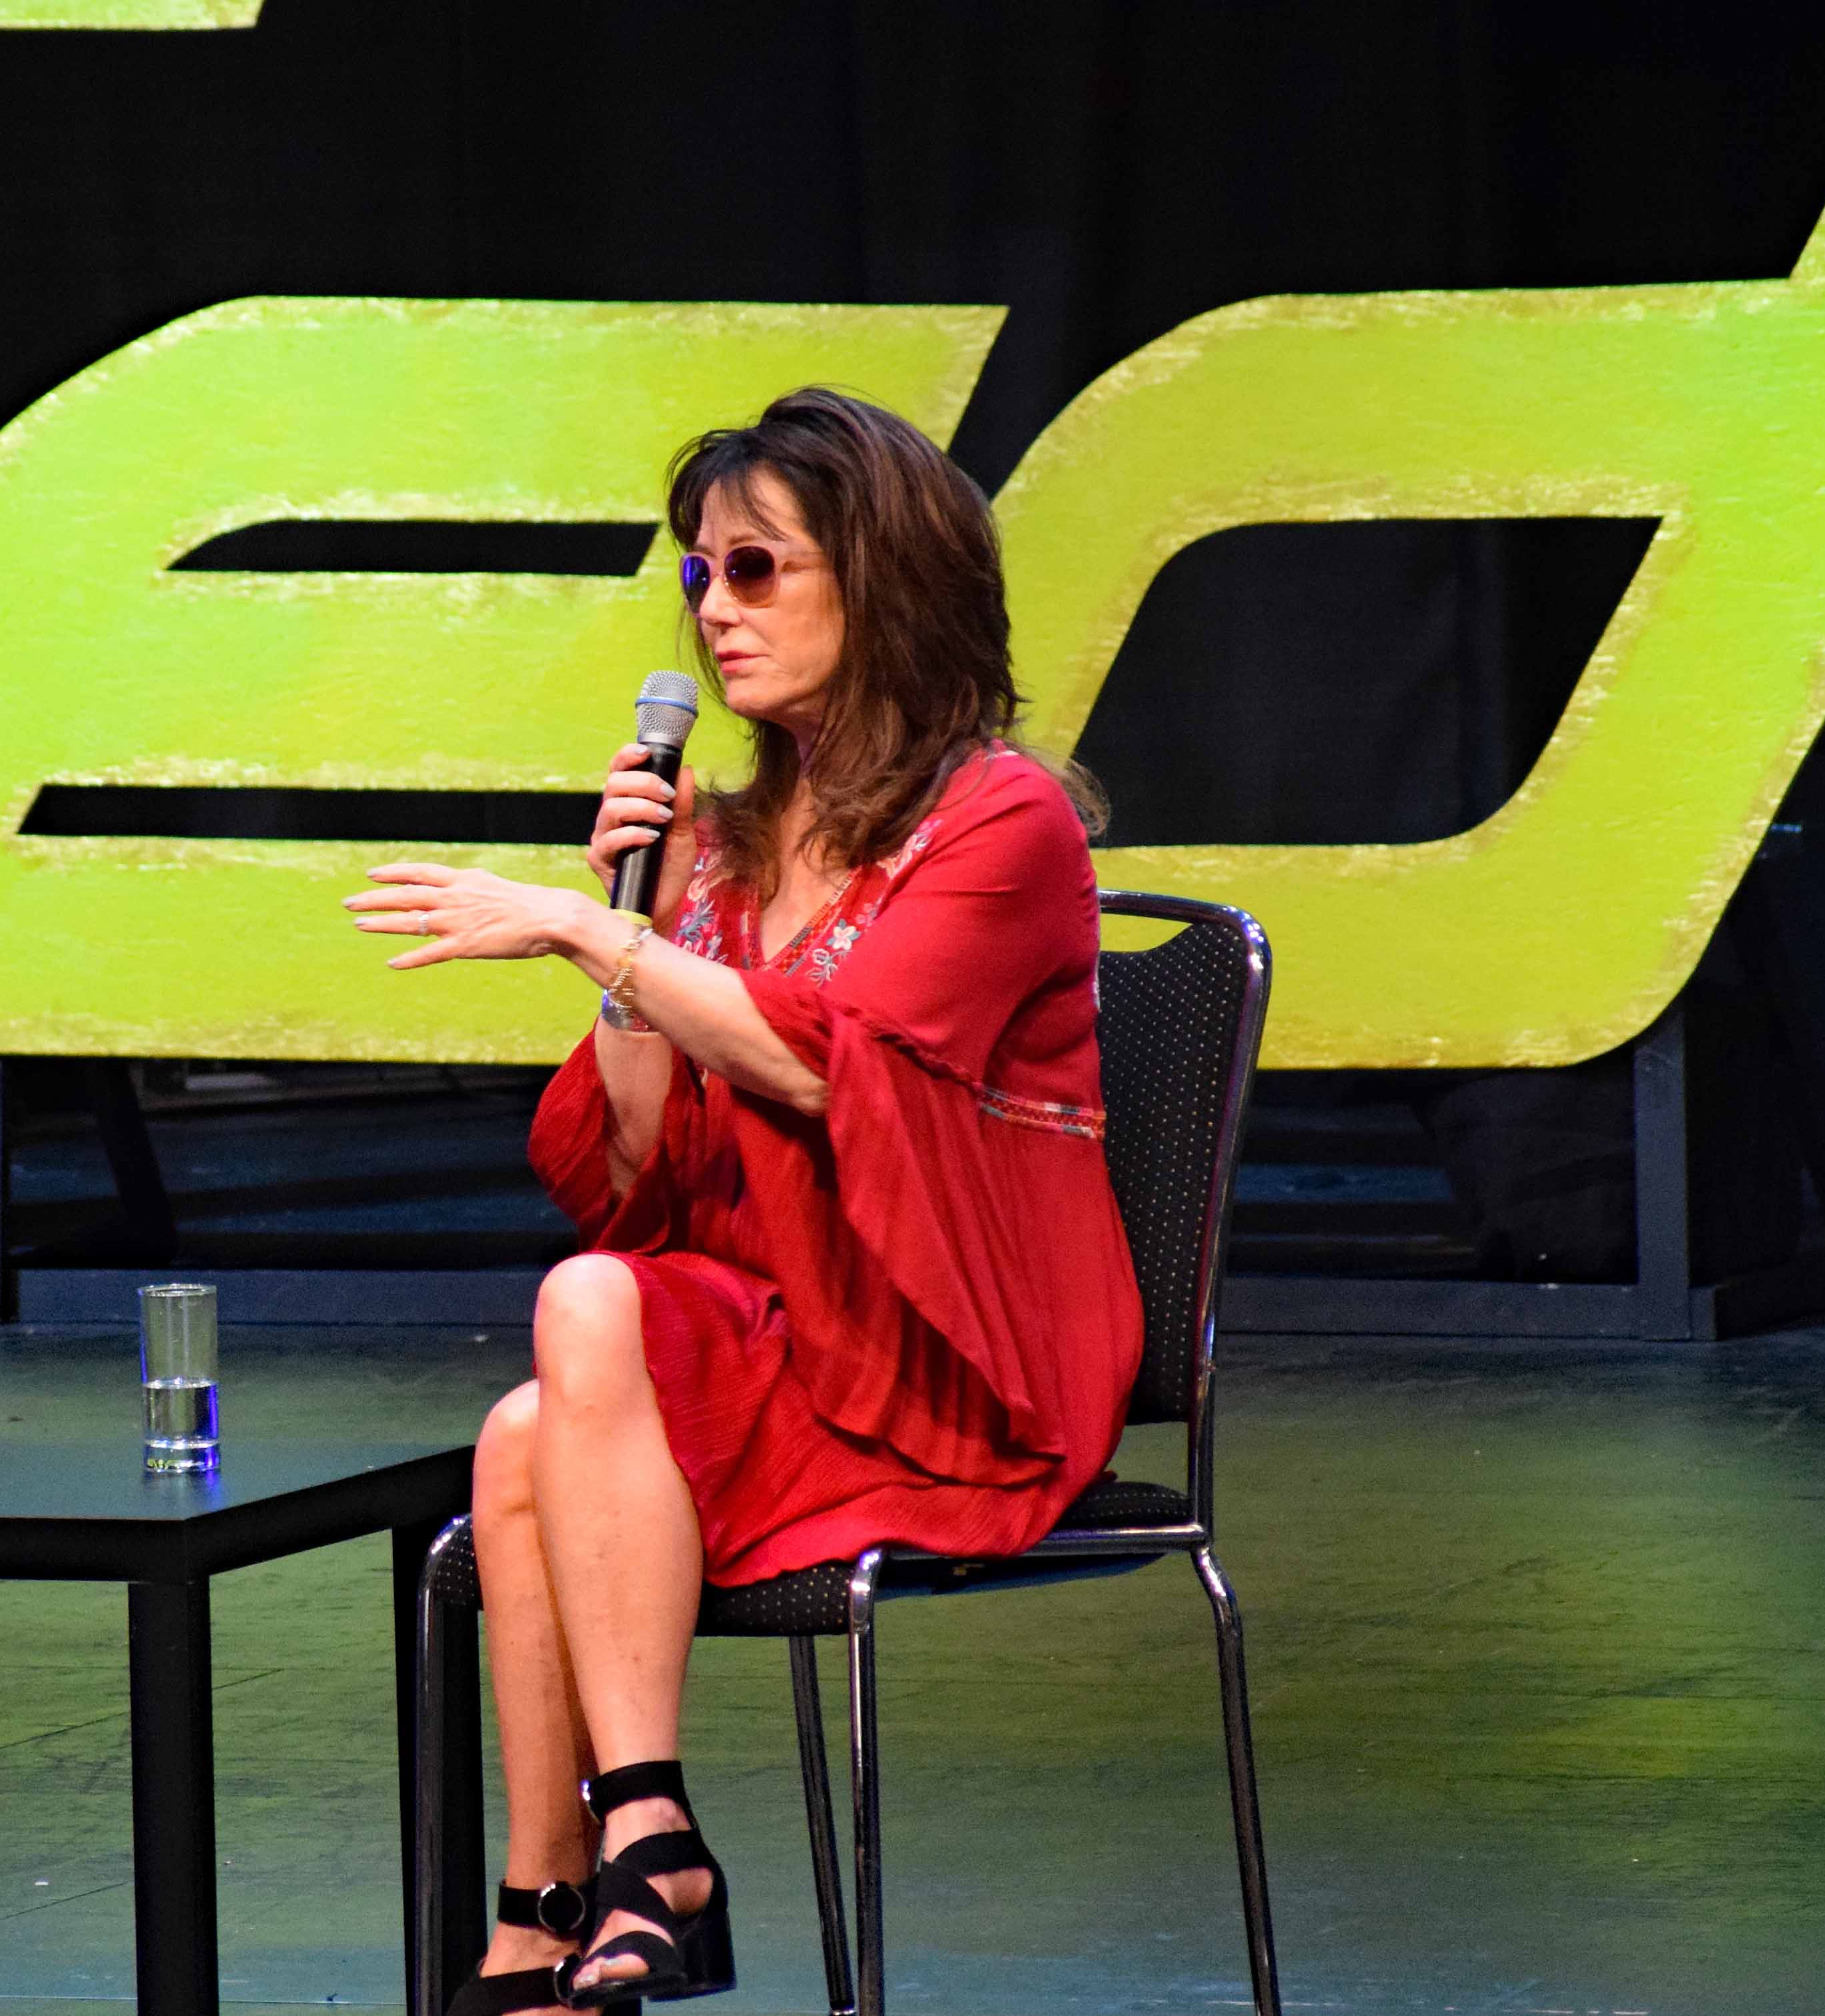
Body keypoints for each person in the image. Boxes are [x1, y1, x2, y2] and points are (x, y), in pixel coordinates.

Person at [342, 389, 1141, 2010]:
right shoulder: (717, 840)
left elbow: (827, 1069)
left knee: (564, 1356)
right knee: (533, 1404)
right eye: (699, 573)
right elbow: (641, 1181)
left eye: (756, 567)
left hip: (947, 1352)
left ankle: (608, 1864)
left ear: (881, 577)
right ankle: (563, 1895)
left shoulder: (1001, 819)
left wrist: (591, 932)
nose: (713, 610)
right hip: (778, 1323)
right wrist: (630, 932)